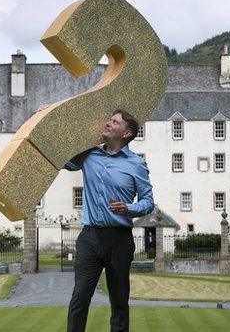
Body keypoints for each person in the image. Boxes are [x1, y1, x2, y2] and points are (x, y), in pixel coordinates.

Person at [38, 105, 154, 332]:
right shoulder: (89, 155)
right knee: (80, 297)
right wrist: (48, 118)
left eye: (115, 122)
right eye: (109, 119)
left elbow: (148, 202)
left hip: (119, 239)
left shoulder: (136, 165)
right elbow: (59, 154)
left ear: (127, 133)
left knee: (119, 302)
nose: (109, 123)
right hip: (90, 238)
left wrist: (129, 208)